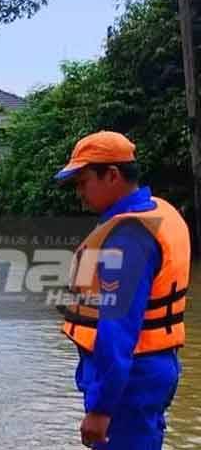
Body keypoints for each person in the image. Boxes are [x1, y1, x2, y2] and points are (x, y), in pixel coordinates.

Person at [54, 131, 189, 449]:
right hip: (151, 369)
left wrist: (101, 409)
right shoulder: (157, 211)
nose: (80, 194)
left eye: (83, 182)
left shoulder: (128, 236)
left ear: (112, 175)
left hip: (131, 381)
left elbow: (117, 331)